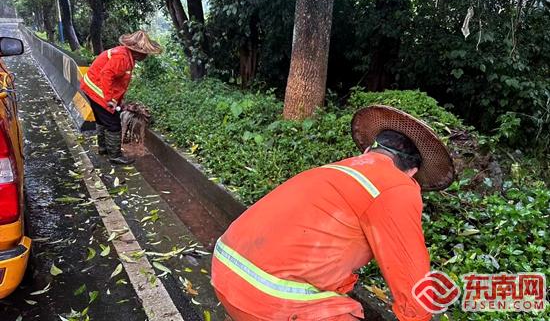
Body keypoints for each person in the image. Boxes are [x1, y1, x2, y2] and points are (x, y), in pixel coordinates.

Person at [211, 105, 456, 321]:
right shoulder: (397, 186)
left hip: (224, 275)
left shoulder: (337, 170)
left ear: (368, 151)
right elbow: (411, 281)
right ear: (412, 172)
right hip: (268, 303)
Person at [80, 30, 162, 164]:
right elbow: (106, 75)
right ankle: (115, 155)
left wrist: (119, 101)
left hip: (91, 87)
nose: (146, 56)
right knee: (113, 124)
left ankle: (103, 148)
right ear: (137, 51)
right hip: (97, 90)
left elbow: (118, 82)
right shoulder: (122, 58)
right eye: (145, 53)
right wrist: (109, 100)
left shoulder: (126, 55)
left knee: (102, 119)